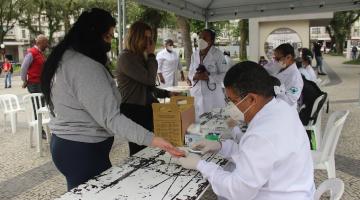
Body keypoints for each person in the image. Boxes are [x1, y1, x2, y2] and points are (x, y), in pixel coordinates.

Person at [40, 8, 184, 191]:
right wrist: (155, 140)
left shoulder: (67, 58)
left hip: (70, 146)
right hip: (83, 151)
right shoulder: (85, 67)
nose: (110, 43)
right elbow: (111, 118)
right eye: (108, 37)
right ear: (92, 34)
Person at [178, 61, 315, 200]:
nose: (230, 105)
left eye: (232, 100)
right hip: (294, 189)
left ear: (251, 99)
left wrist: (201, 165)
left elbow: (238, 190)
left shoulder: (262, 133)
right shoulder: (282, 107)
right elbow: (255, 157)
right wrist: (221, 146)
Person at [116, 21, 179, 156]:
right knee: (139, 149)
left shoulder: (139, 57)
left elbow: (147, 87)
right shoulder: (126, 57)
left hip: (146, 107)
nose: (149, 42)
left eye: (150, 38)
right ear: (135, 37)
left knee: (153, 146)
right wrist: (151, 55)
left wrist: (168, 93)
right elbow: (149, 79)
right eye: (145, 38)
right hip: (133, 109)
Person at [188, 29, 228, 120]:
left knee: (214, 122)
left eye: (205, 38)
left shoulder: (217, 54)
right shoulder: (194, 54)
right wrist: (194, 76)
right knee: (198, 122)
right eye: (200, 37)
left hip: (213, 95)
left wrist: (209, 77)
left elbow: (225, 74)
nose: (201, 40)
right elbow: (190, 72)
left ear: (212, 41)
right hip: (197, 93)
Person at [265, 43, 303, 109]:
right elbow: (267, 70)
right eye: (275, 58)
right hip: (272, 103)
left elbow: (290, 100)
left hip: (283, 110)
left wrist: (276, 91)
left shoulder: (296, 78)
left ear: (288, 57)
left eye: (278, 58)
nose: (275, 61)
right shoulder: (281, 67)